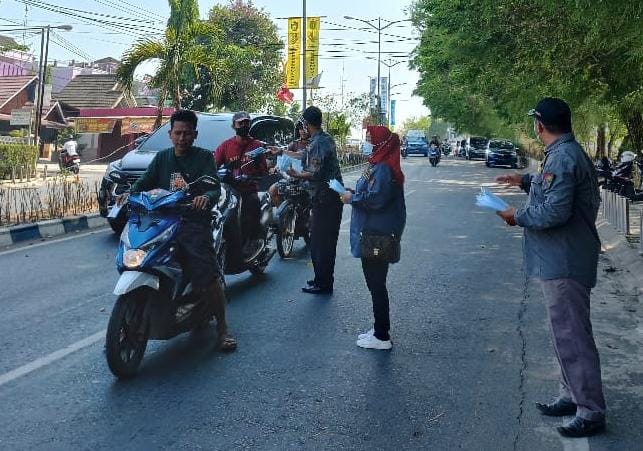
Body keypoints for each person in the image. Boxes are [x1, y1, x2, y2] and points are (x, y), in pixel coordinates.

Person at [496, 97, 605, 437]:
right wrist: (524, 181)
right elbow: (552, 188)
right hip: (560, 258)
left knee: (572, 336)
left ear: (539, 125)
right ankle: (572, 395)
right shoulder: (561, 154)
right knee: (564, 334)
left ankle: (590, 411)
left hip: (565, 260)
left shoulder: (564, 156)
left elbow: (555, 212)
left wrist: (518, 216)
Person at [120, 109, 236, 351]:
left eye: (186, 133)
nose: (182, 137)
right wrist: (127, 194)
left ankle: (223, 328)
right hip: (161, 220)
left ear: (195, 134)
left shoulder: (204, 158)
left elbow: (213, 186)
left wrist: (205, 197)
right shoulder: (162, 158)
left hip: (192, 221)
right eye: (177, 133)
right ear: (170, 134)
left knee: (206, 273)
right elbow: (144, 182)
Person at [341, 125, 406, 350]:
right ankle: (379, 329)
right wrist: (353, 192)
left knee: (376, 284)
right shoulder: (377, 164)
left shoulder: (384, 169)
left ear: (381, 143)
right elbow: (369, 191)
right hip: (373, 232)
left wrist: (353, 198)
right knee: (375, 284)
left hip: (377, 235)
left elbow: (376, 200)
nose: (367, 141)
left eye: (370, 138)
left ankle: (381, 336)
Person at [287, 106, 343, 294]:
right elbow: (304, 156)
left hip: (326, 199)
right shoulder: (321, 139)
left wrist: (296, 174)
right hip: (325, 198)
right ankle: (321, 278)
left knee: (323, 242)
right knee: (320, 241)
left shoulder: (319, 143)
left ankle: (324, 283)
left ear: (306, 123)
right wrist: (281, 152)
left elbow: (313, 173)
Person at [214, 112, 268, 261]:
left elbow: (264, 170)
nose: (244, 126)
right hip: (229, 191)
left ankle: (253, 242)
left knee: (251, 207)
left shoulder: (257, 146)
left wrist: (255, 169)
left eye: (246, 123)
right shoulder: (225, 146)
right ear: (234, 126)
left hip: (248, 190)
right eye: (240, 123)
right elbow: (213, 166)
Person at [268, 119, 310, 207]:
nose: (303, 131)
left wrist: (282, 151)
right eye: (300, 129)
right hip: (292, 178)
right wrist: (275, 167)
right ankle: (284, 216)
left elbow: (301, 155)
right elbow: (284, 159)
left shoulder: (314, 144)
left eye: (304, 128)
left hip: (307, 179)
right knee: (272, 190)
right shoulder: (293, 144)